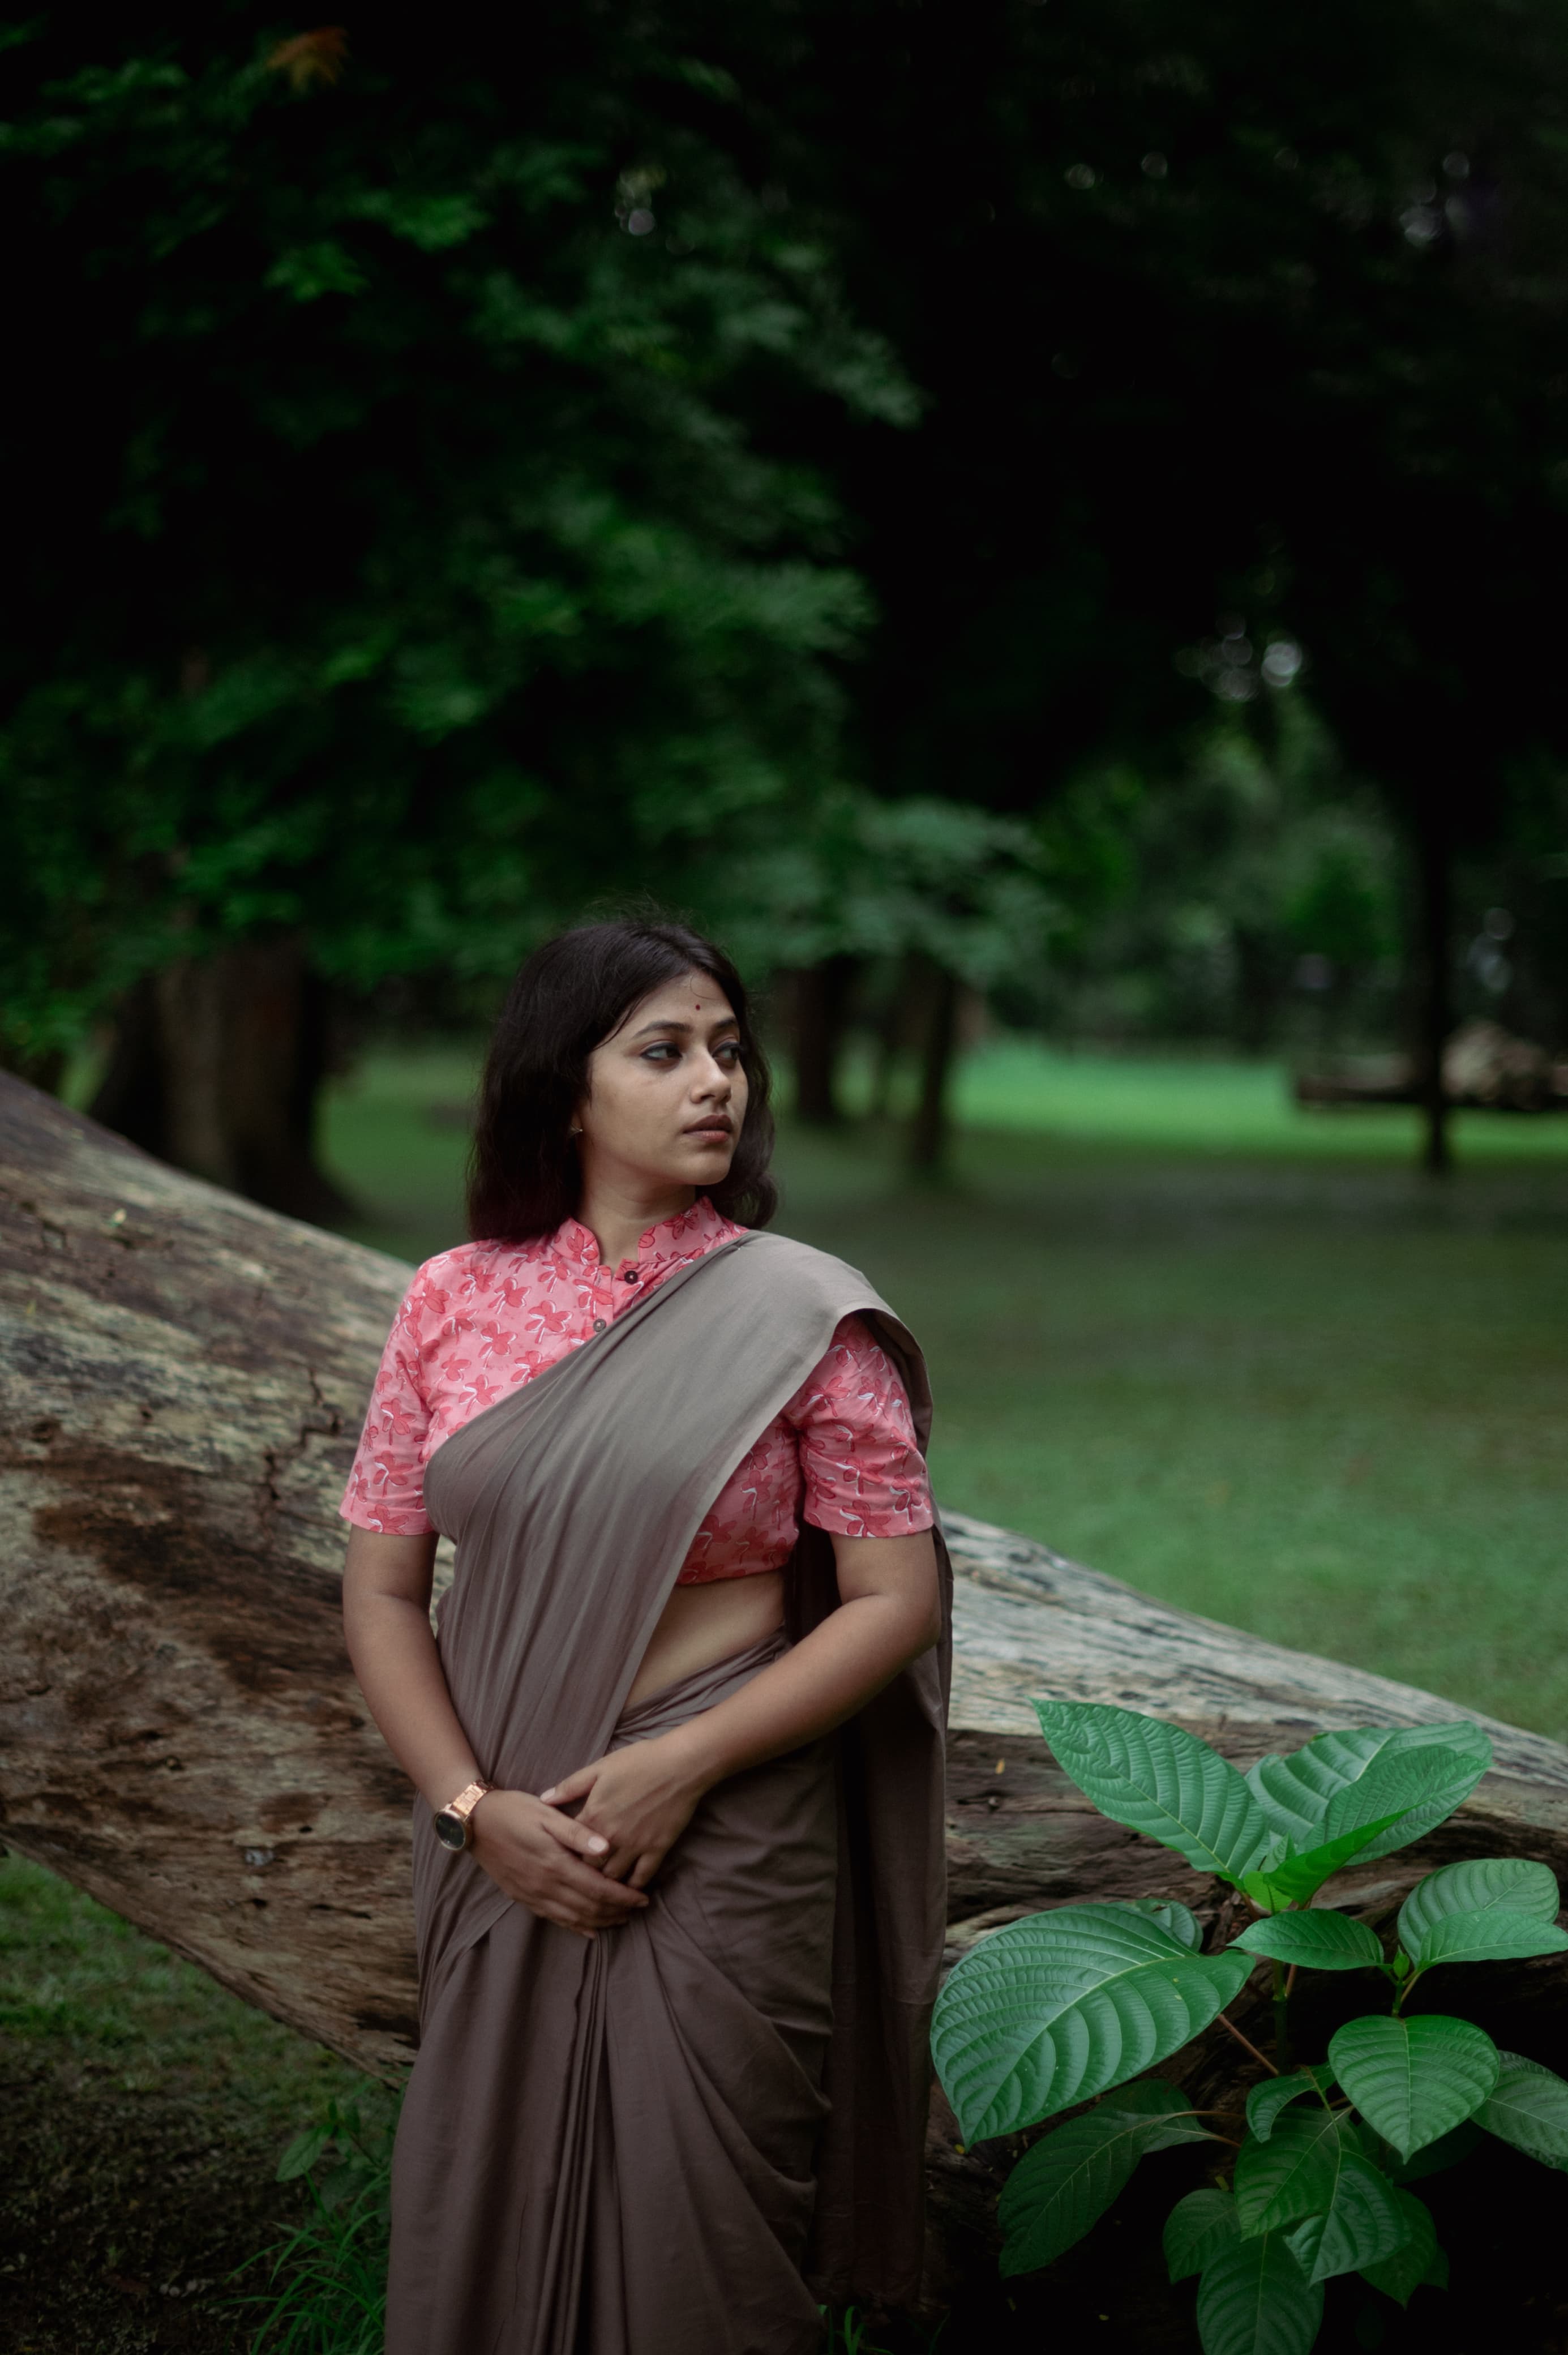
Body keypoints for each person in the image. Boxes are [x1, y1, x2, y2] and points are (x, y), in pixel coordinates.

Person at [340, 915, 951, 2355]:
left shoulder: (806, 1312)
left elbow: (893, 1601)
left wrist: (681, 1765)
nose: (714, 1083)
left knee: (707, 2236)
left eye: (729, 1051)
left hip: (733, 1819)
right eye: (664, 1051)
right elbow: (379, 1592)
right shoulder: (453, 1297)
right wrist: (473, 1810)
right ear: (566, 1084)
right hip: (513, 1819)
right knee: (474, 2206)